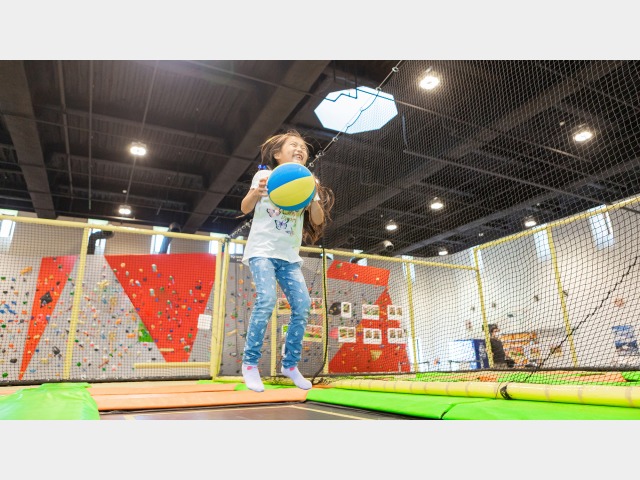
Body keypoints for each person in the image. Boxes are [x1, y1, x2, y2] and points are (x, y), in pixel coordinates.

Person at [239, 130, 334, 392]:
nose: (300, 149)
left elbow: (317, 219)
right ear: (277, 154)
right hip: (262, 251)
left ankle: (290, 364)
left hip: (289, 256)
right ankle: (250, 364)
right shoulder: (265, 176)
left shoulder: (307, 180)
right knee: (266, 300)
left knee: (302, 306)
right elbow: (245, 208)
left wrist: (313, 198)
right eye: (294, 145)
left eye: (304, 147)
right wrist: (256, 193)